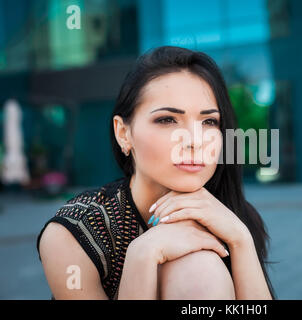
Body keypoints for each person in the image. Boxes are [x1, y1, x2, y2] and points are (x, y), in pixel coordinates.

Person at [36, 46, 276, 300]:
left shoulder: (230, 215)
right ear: (123, 133)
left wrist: (240, 239)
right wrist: (142, 255)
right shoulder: (75, 232)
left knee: (198, 267)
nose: (193, 140)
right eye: (167, 120)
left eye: (209, 122)